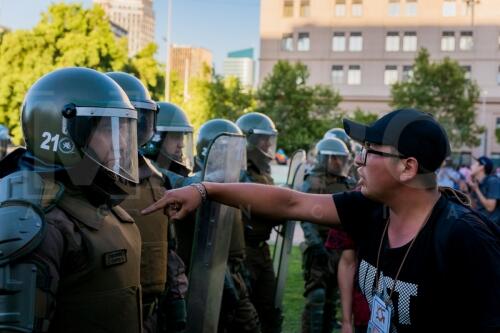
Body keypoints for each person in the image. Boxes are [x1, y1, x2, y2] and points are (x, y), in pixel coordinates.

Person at [143, 108, 500, 333]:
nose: (357, 161)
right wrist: (205, 190)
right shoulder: (370, 208)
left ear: (407, 167)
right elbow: (291, 201)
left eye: (368, 151)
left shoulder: (465, 238)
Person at [0, 67, 143, 332]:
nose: (122, 143)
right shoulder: (33, 220)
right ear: (64, 133)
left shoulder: (91, 194)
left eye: (123, 129)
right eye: (107, 129)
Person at [141, 101, 194, 332]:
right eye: (175, 137)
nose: (182, 144)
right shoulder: (153, 175)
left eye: (183, 137)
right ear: (155, 139)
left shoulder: (157, 177)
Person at [300, 137, 355, 333]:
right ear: (324, 159)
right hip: (319, 248)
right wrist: (315, 244)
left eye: (340, 158)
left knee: (333, 297)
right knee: (316, 296)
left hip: (340, 248)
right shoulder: (312, 180)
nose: (337, 162)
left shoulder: (348, 183)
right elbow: (305, 216)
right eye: (333, 158)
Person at [236, 112, 283, 333]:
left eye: (269, 138)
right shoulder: (238, 172)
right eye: (263, 138)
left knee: (270, 308)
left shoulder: (264, 172)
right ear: (249, 140)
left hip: (261, 250)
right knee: (246, 314)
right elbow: (257, 208)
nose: (267, 143)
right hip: (244, 251)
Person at [468, 156, 500, 225]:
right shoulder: (477, 183)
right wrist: (470, 189)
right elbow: (472, 205)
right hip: (481, 222)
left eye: (474, 164)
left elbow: (490, 208)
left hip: (492, 227)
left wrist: (476, 190)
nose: (471, 166)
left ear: (481, 167)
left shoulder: (493, 181)